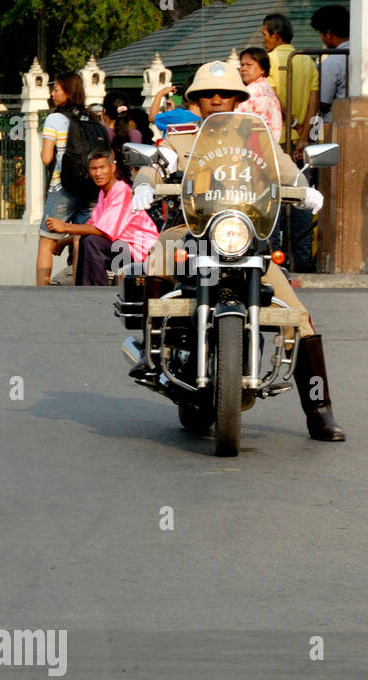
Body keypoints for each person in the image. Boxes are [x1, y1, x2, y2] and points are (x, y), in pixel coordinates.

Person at [130, 61, 343, 442]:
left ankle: (319, 411)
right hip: (188, 232)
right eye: (209, 94)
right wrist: (145, 183)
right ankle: (153, 349)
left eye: (225, 93)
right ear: (195, 99)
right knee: (159, 252)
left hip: (245, 239)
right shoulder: (180, 139)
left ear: (237, 98)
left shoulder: (256, 143)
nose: (217, 99)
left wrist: (304, 186)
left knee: (300, 317)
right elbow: (156, 165)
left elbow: (286, 168)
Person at [46, 149, 157, 286]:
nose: (98, 173)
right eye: (94, 169)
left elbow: (103, 231)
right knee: (86, 239)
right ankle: (84, 290)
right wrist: (65, 241)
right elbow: (92, 225)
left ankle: (96, 292)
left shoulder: (122, 191)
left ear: (112, 168)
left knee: (92, 241)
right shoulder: (103, 194)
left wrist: (65, 227)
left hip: (143, 252)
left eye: (102, 168)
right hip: (124, 247)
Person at [35, 72, 103, 285]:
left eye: (57, 89)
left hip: (62, 187)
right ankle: (77, 286)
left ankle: (41, 290)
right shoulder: (91, 117)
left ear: (68, 92)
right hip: (91, 186)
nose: (52, 93)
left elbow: (46, 158)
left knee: (47, 240)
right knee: (79, 238)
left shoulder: (54, 119)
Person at [263, 13, 319, 158]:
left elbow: (273, 100)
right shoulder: (308, 61)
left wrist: (295, 125)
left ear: (275, 36)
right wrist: (304, 136)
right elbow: (313, 104)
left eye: (265, 35)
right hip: (303, 139)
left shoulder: (269, 60)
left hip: (279, 136)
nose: (264, 41)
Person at [312, 5, 350, 124]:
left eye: (321, 34)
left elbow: (324, 103)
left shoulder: (332, 62)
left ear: (328, 34)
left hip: (334, 124)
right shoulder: (360, 53)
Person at [236, 47, 285, 140]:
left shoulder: (253, 91)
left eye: (249, 65)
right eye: (242, 65)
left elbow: (233, 119)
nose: (243, 69)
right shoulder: (266, 88)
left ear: (262, 69)